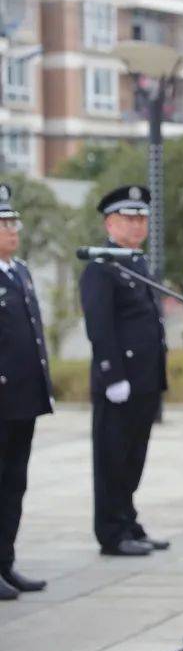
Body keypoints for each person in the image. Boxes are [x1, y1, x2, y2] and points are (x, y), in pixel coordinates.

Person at [79, 185, 169, 556]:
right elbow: (100, 328)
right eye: (129, 219)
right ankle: (112, 533)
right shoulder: (102, 268)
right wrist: (112, 375)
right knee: (113, 458)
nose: (137, 225)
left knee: (133, 458)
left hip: (144, 380)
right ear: (109, 223)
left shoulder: (135, 262)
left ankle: (128, 520)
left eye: (142, 218)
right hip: (120, 382)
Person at [0, 184, 52, 599]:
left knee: (13, 484)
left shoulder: (18, 271)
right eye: (3, 224)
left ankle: (6, 562)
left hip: (21, 401)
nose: (11, 230)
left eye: (13, 222)